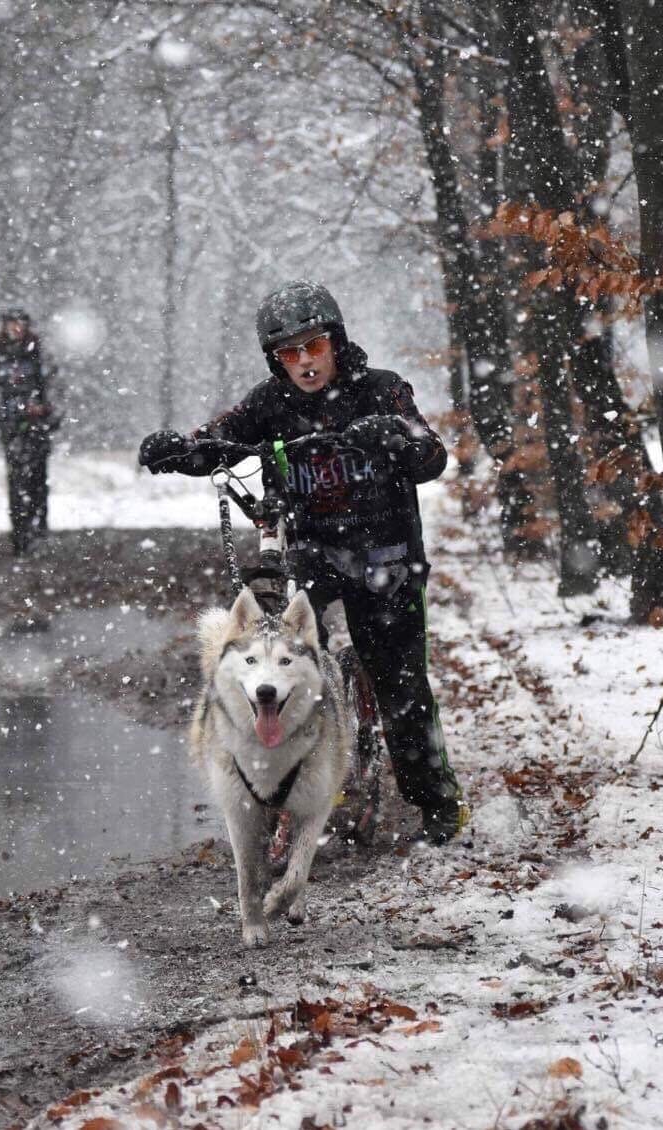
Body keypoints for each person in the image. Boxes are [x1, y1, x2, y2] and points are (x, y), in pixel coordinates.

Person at [137, 281, 465, 845]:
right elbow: (219, 439)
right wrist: (180, 451)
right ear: (275, 360)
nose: (305, 362)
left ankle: (437, 803)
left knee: (401, 689)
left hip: (386, 558)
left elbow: (431, 456)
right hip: (312, 553)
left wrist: (393, 438)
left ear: (335, 342)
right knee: (280, 668)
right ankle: (288, 786)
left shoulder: (381, 391)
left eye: (314, 346)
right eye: (289, 353)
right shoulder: (270, 403)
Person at [0, 308, 59, 556]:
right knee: (16, 480)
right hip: (10, 425)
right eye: (12, 324)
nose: (16, 328)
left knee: (37, 478)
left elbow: (54, 385)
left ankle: (37, 529)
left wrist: (48, 411)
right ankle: (20, 534)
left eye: (20, 323)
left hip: (37, 425)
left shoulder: (39, 352)